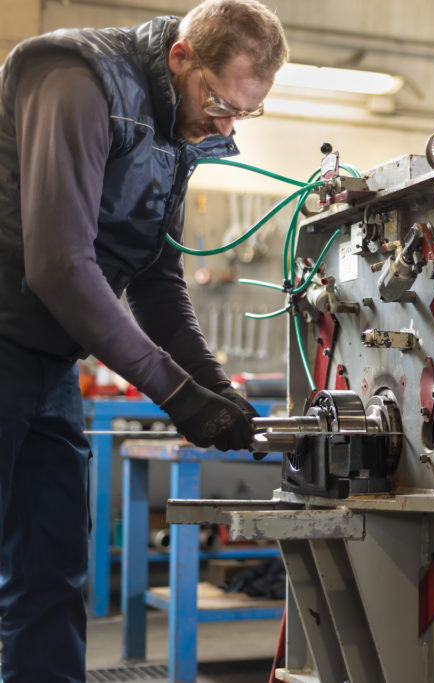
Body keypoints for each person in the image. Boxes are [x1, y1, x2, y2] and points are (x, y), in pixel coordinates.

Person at [0, 0, 288, 678]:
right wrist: (175, 393)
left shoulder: (179, 125)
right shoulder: (78, 78)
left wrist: (215, 389)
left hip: (47, 362)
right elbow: (60, 267)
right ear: (182, 55)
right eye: (219, 101)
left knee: (51, 566)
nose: (225, 124)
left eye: (244, 113)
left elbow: (157, 280)